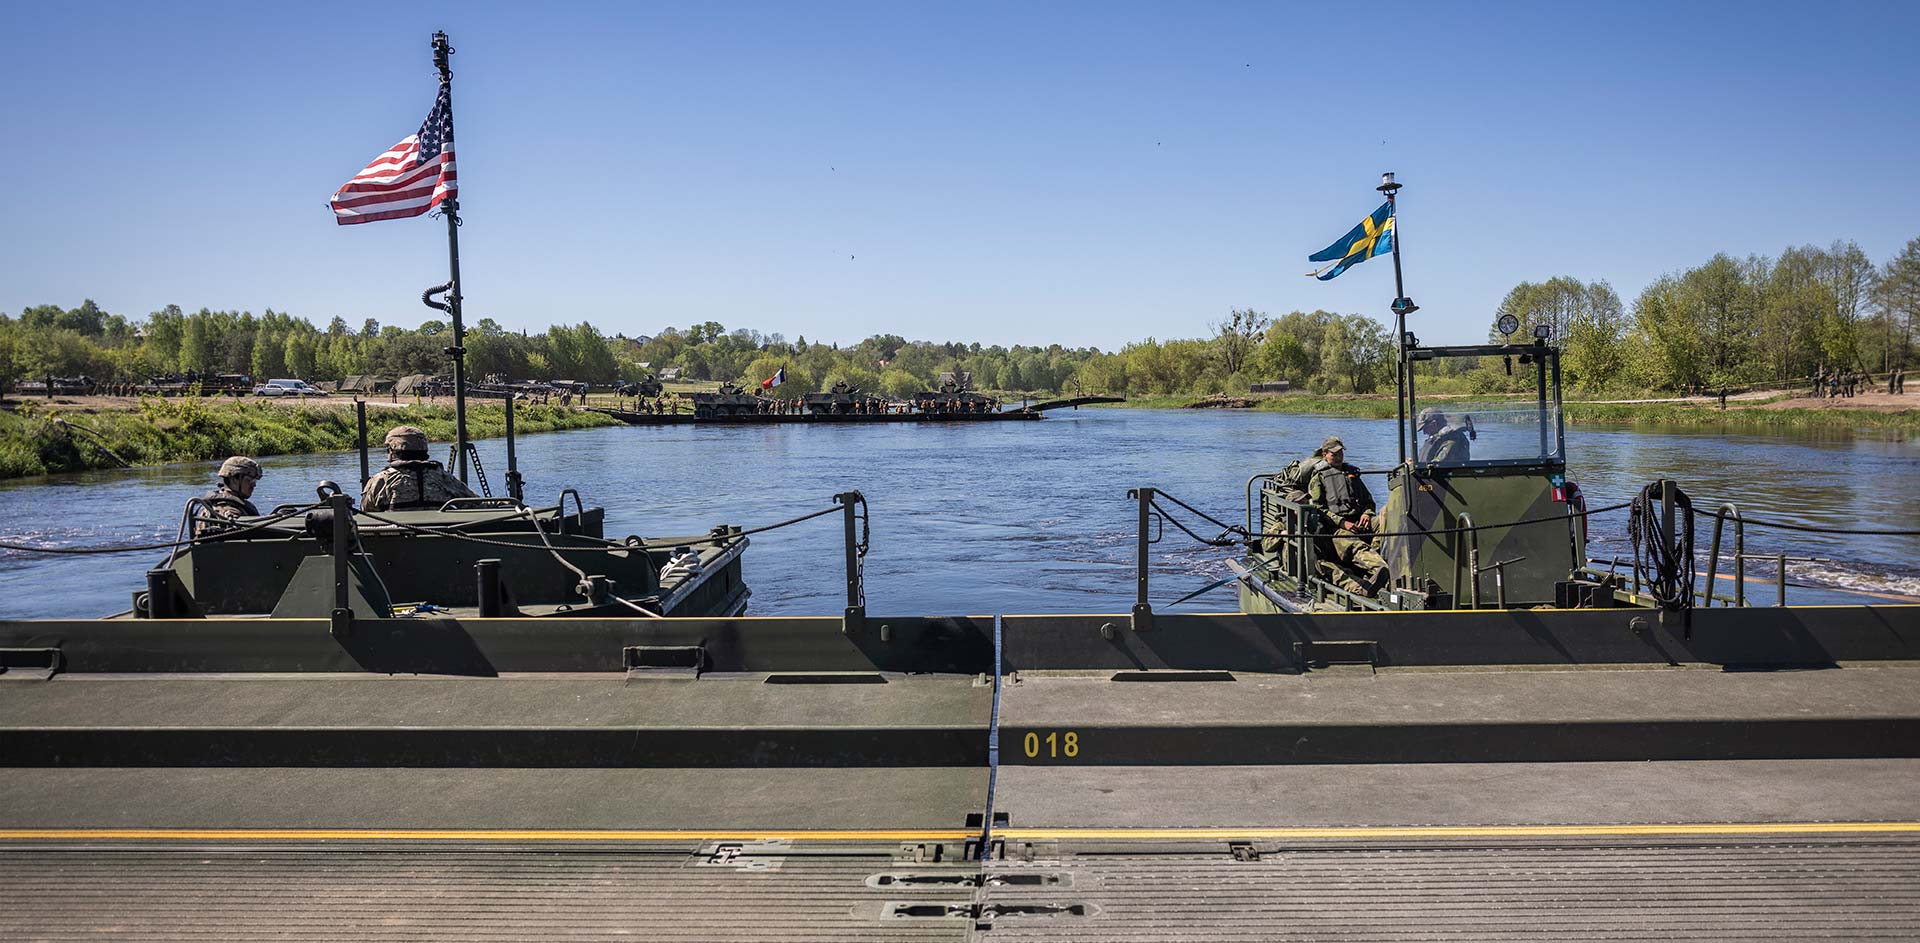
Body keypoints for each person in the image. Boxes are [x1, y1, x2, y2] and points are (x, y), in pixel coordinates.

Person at [1306, 436, 1390, 597]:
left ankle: (1379, 560)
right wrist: (1342, 522)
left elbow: (1369, 501)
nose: (1338, 457)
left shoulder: (1351, 474)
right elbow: (1317, 508)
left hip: (1359, 520)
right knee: (1354, 544)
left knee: (1384, 520)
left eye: (1340, 454)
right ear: (1325, 454)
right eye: (1334, 454)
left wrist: (1367, 514)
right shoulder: (1319, 478)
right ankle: (1381, 569)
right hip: (1336, 528)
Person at [361, 425, 476, 511]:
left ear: (392, 451)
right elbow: (475, 504)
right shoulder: (443, 477)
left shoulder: (381, 480)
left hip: (397, 540)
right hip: (439, 538)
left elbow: (366, 512)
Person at [197, 456, 262, 536]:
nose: (254, 485)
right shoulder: (228, 511)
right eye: (250, 480)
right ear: (234, 479)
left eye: (255, 481)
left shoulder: (234, 505)